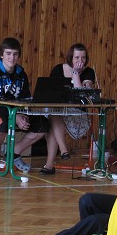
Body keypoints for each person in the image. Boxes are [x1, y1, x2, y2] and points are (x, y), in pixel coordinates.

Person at [0, 37, 49, 173]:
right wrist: (15, 115)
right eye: (8, 53)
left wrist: (22, 113)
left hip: (17, 112)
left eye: (15, 54)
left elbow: (25, 98)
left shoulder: (21, 74)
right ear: (1, 54)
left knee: (43, 124)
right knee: (1, 123)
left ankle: (14, 153)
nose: (12, 58)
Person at [41, 43, 97, 174]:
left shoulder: (89, 72)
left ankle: (52, 162)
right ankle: (62, 151)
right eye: (77, 57)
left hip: (78, 116)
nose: (80, 61)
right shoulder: (58, 70)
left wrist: (76, 73)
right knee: (54, 116)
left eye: (83, 58)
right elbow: (51, 92)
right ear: (70, 57)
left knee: (54, 120)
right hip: (59, 111)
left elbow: (80, 95)